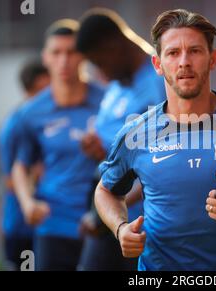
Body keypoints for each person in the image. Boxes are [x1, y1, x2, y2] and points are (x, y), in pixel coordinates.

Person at [94, 9, 216, 271]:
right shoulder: (137, 131)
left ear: (213, 59)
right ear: (158, 64)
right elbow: (106, 191)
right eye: (173, 53)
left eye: (195, 51)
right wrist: (121, 229)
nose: (184, 62)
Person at [74, 8, 166, 271]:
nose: (99, 72)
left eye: (98, 61)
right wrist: (98, 146)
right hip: (111, 216)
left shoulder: (160, 80)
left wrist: (107, 210)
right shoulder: (117, 83)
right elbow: (115, 145)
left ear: (113, 46)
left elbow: (166, 158)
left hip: (142, 224)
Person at [11, 19, 105, 270]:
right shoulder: (31, 112)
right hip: (54, 223)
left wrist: (101, 152)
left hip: (102, 221)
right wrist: (27, 202)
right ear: (45, 57)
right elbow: (21, 166)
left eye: (71, 52)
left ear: (84, 55)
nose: (64, 61)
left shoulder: (109, 102)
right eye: (56, 52)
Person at [0, 60, 49, 270]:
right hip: (21, 228)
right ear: (31, 90)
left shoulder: (41, 120)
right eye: (45, 91)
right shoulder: (17, 125)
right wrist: (38, 176)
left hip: (43, 227)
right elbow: (9, 180)